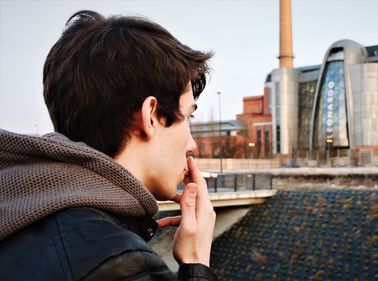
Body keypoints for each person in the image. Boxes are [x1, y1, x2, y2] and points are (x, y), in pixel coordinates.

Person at [0, 10, 218, 281]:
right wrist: (197, 264)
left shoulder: (18, 210)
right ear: (151, 115)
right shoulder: (117, 264)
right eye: (188, 116)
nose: (192, 146)